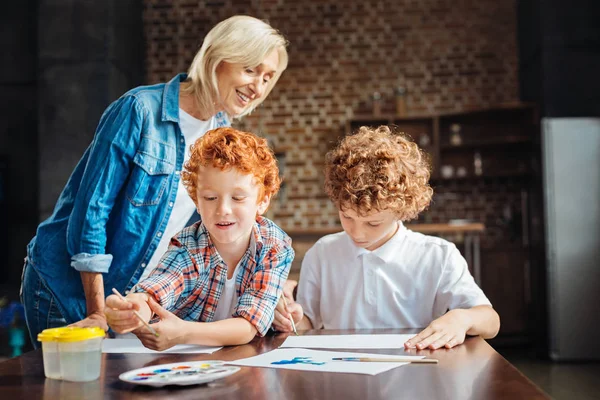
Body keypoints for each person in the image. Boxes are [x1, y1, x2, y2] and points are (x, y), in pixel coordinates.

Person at [21, 15, 289, 346]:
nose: (259, 87)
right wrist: (96, 311)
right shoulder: (140, 110)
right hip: (68, 289)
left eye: (268, 77)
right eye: (251, 70)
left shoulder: (223, 133)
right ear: (219, 57)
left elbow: (216, 231)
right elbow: (92, 209)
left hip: (134, 298)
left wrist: (265, 294)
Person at [273, 125, 500, 350]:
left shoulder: (437, 255)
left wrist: (461, 318)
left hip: (415, 372)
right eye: (347, 216)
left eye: (373, 223)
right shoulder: (323, 253)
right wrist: (291, 319)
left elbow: (491, 321)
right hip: (343, 374)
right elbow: (307, 323)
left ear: (401, 210)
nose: (357, 232)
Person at [104, 127, 293, 349]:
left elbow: (248, 326)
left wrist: (184, 333)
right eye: (210, 197)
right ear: (196, 201)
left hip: (246, 361)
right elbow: (155, 292)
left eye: (238, 198)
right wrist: (133, 310)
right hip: (188, 363)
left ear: (262, 201)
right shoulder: (188, 246)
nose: (223, 209)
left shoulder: (274, 247)